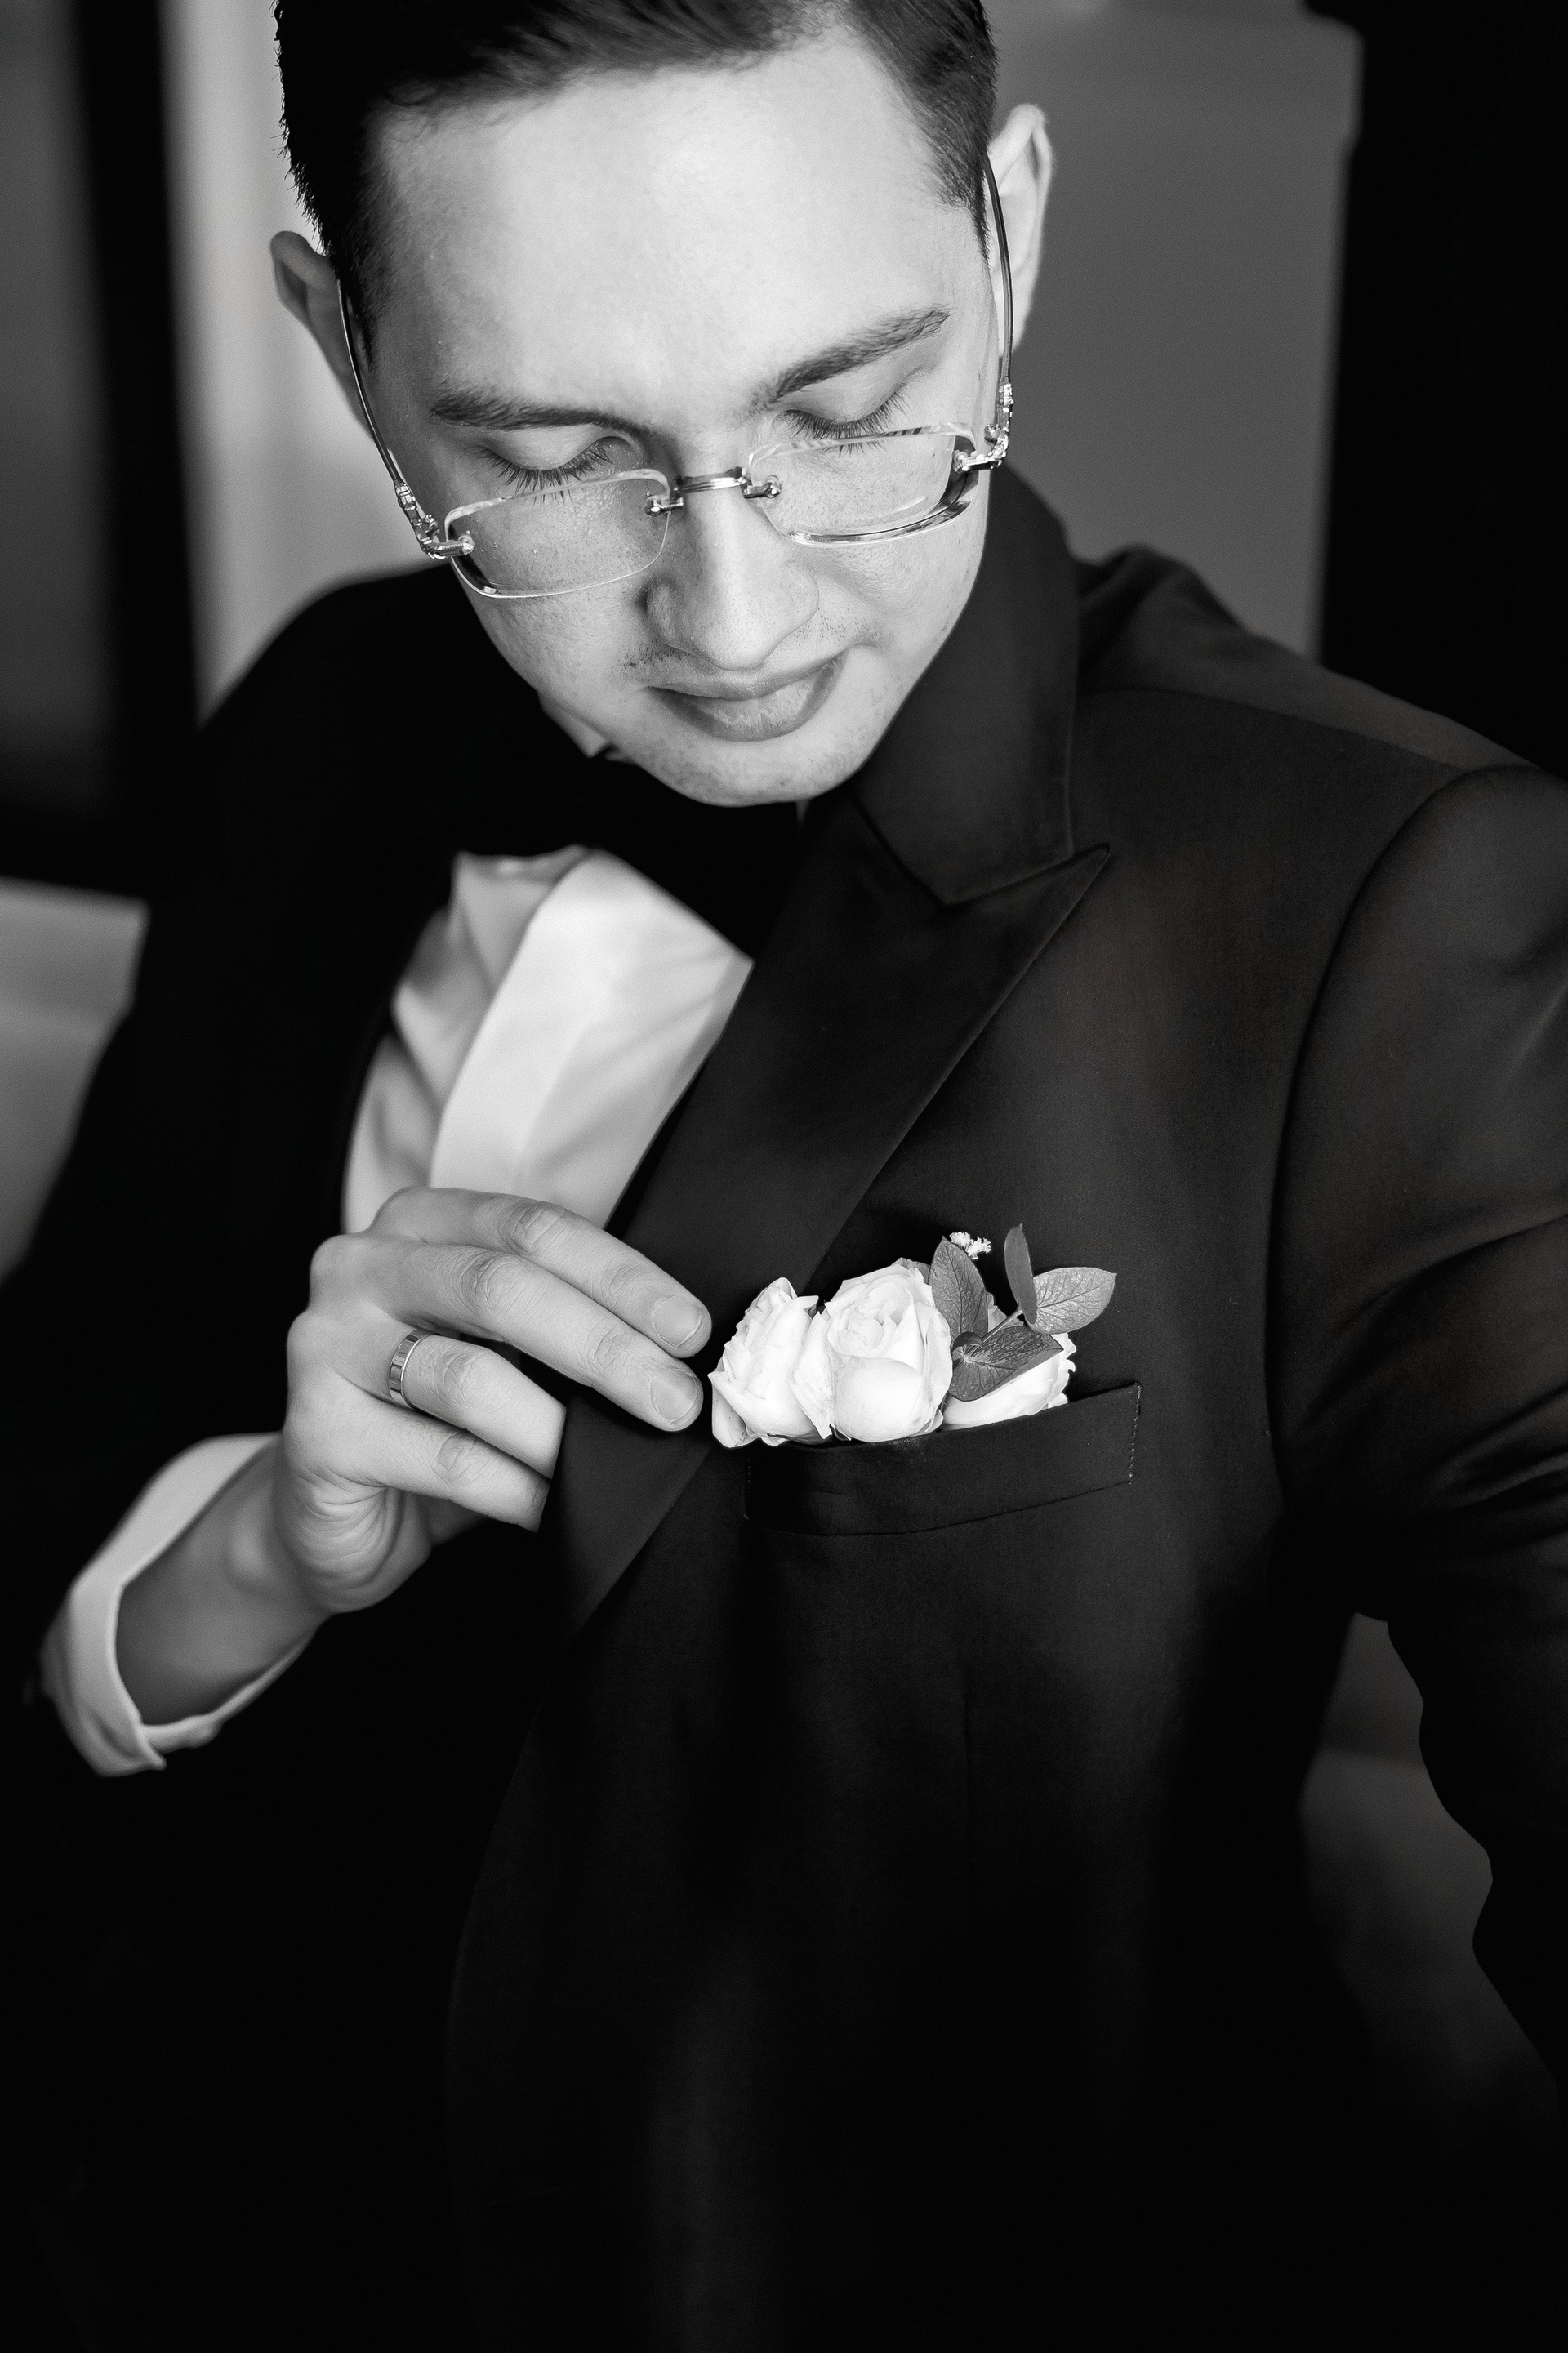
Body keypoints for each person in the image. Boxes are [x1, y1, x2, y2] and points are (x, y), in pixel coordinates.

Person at [11, 2, 1566, 2345]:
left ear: (1006, 239)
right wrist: (228, 1562)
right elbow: (60, 1423)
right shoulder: (320, 729)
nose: (736, 623)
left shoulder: (1384, 905)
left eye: (843, 411)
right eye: (553, 459)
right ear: (345, 350)